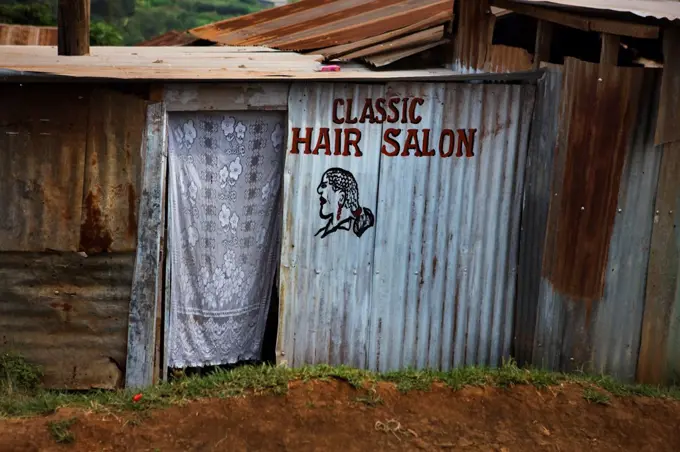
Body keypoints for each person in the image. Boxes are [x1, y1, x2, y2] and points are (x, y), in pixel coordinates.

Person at [315, 168, 375, 239]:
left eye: (324, 186)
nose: (319, 190)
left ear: (341, 197)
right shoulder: (321, 232)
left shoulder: (354, 233)